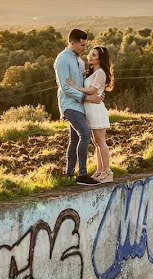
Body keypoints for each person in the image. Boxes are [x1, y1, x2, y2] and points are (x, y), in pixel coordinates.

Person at [54, 29, 103, 186]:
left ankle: (69, 175)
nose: (84, 48)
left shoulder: (80, 61)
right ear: (72, 42)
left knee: (74, 139)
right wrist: (87, 97)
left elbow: (85, 84)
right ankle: (82, 175)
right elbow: (66, 88)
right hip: (69, 105)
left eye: (85, 45)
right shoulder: (62, 60)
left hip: (81, 107)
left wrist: (98, 93)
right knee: (85, 133)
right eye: (81, 45)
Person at [64, 46, 114, 183]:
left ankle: (107, 172)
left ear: (100, 58)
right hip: (91, 111)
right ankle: (99, 170)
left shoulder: (100, 73)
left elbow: (92, 91)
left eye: (94, 55)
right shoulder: (94, 72)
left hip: (96, 111)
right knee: (96, 143)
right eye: (90, 54)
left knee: (101, 142)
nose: (90, 57)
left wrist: (75, 87)